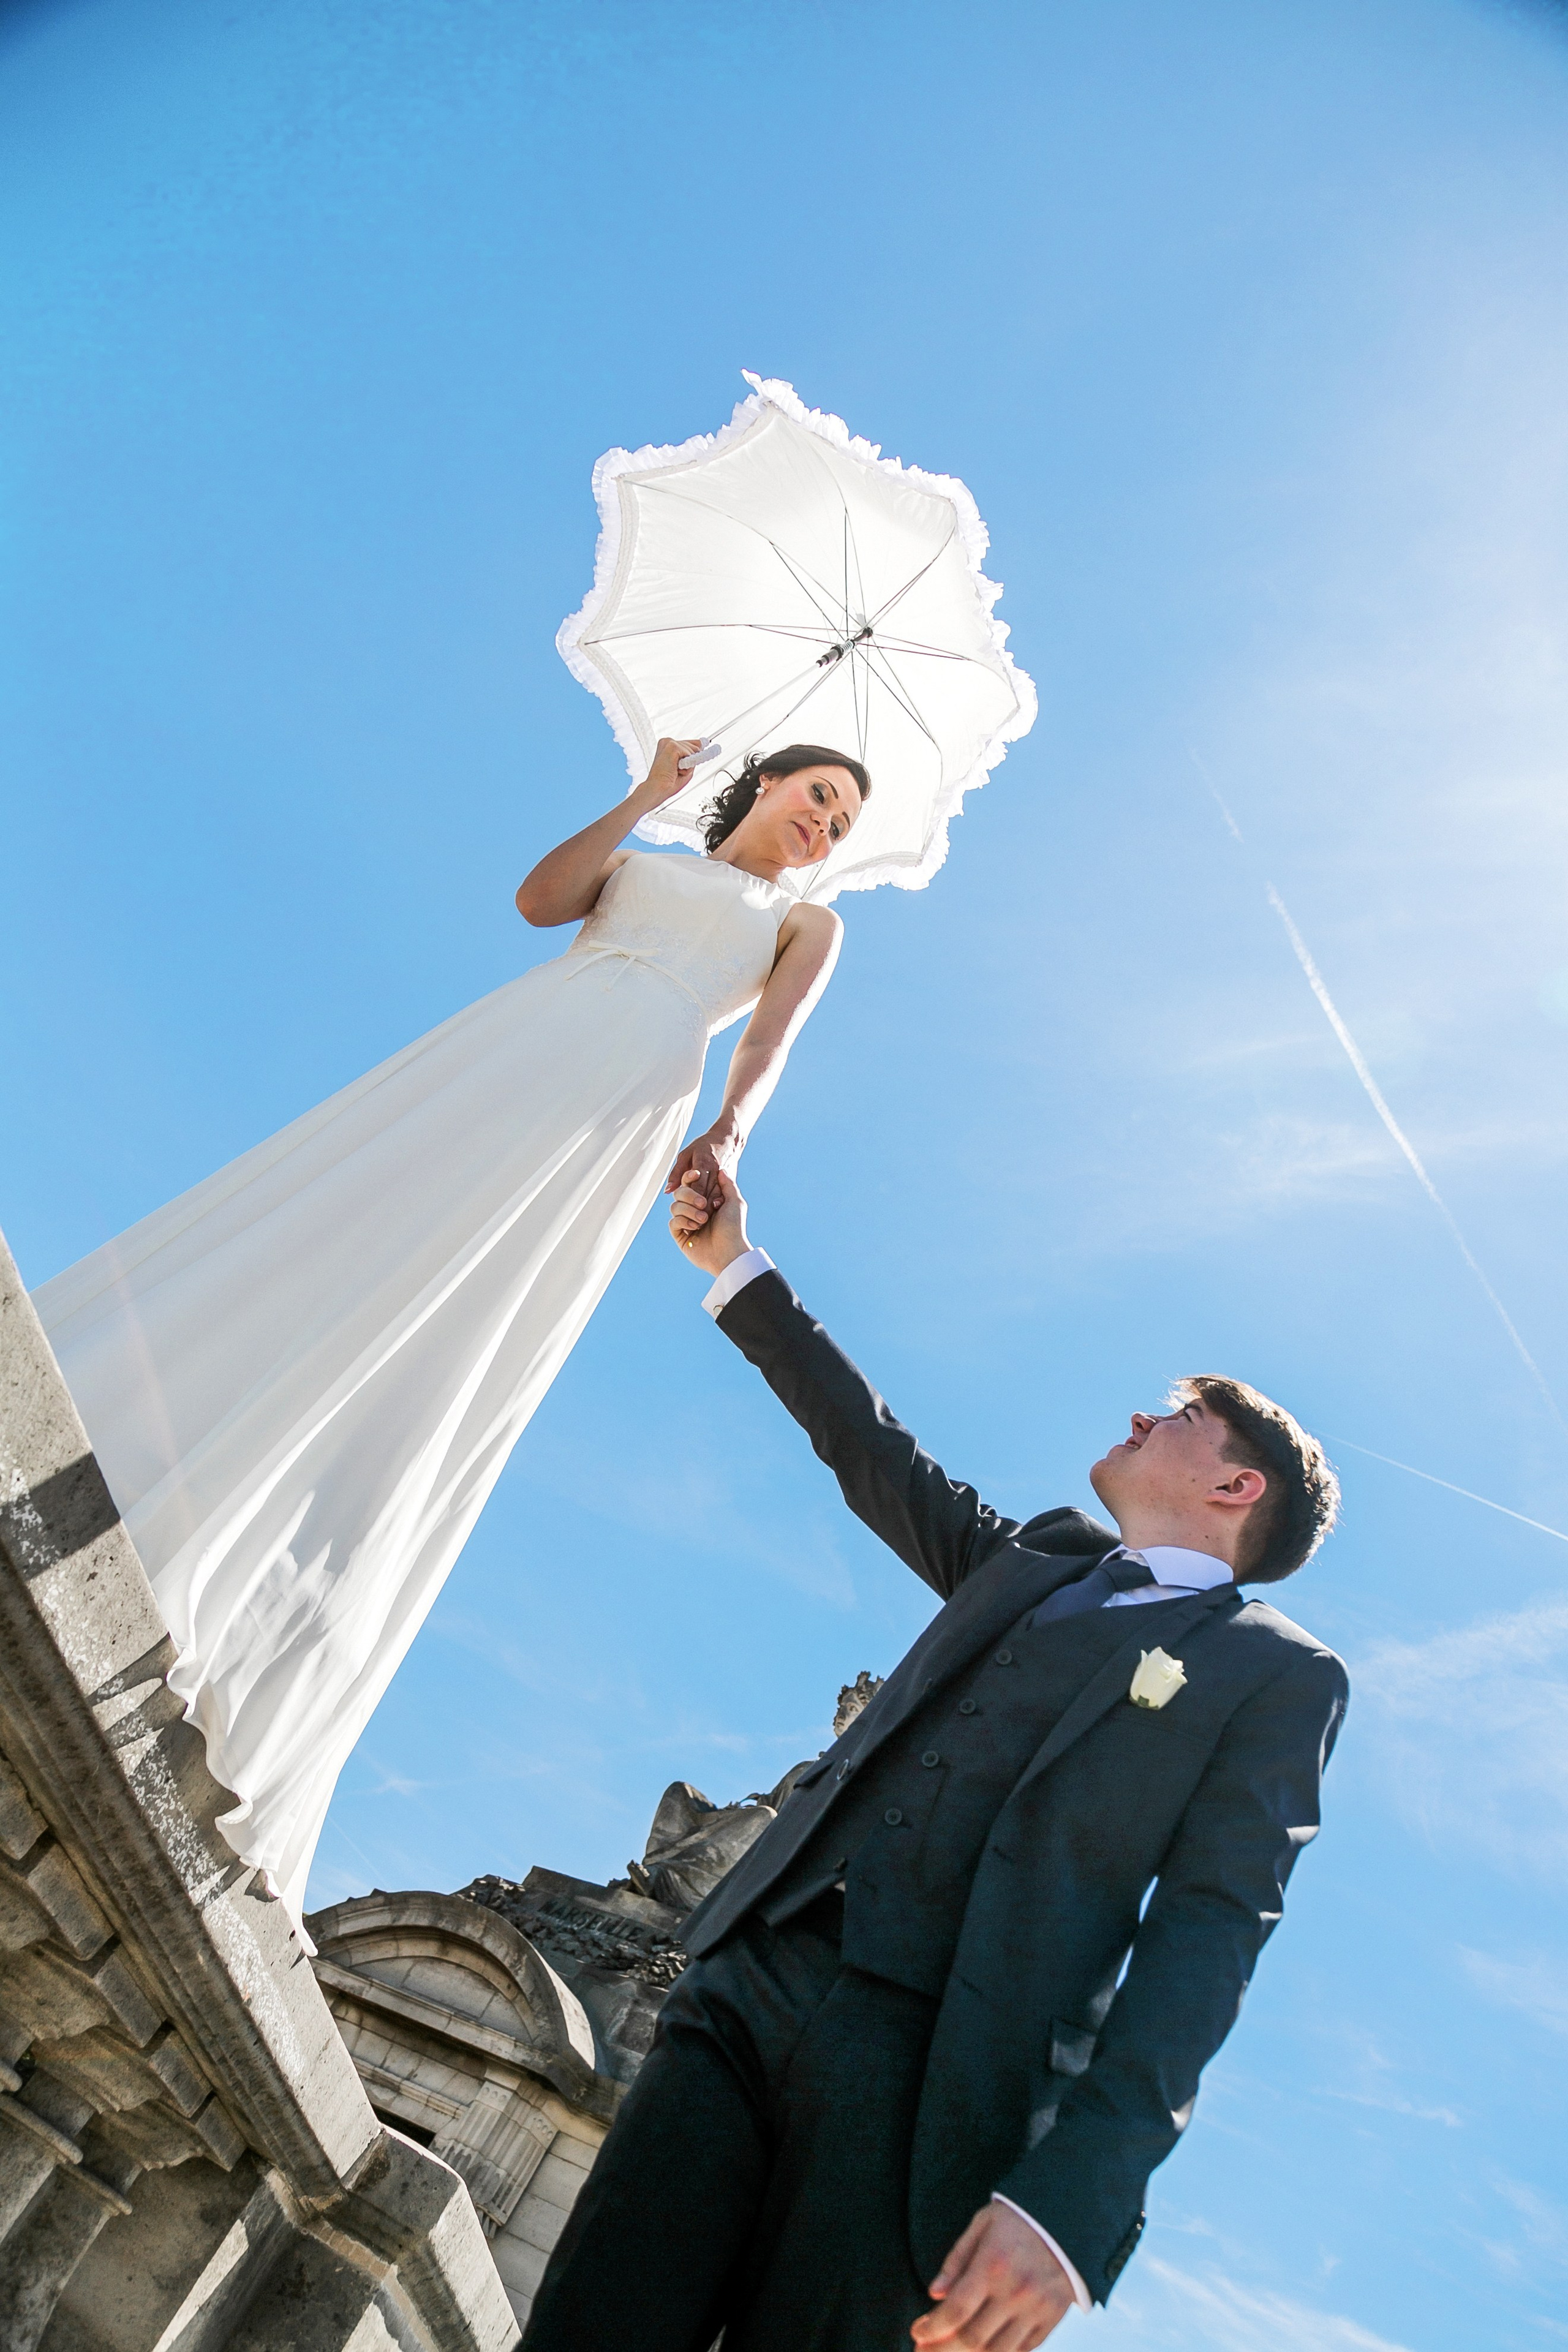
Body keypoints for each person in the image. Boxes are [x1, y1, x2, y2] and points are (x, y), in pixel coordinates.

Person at [33, 737, 869, 1923]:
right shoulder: (642, 852)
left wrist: (726, 1132)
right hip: (532, 1027)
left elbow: (767, 1038)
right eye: (816, 796)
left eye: (841, 821)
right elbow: (539, 902)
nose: (823, 826)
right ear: (768, 785)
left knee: (463, 1286)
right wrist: (647, 797)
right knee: (353, 1206)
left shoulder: (806, 926)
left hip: (634, 1074)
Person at [520, 1172, 1348, 2352]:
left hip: (932, 2093)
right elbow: (875, 1453)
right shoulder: (1036, 1559)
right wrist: (737, 1271)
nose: (1138, 1417)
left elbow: (1208, 1939)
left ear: (1235, 1484)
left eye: (1174, 1417)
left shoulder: (1275, 1674)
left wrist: (1072, 2208)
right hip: (750, 1982)